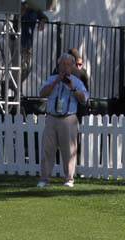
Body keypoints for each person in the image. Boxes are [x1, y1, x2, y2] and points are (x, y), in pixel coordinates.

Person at [36, 53, 88, 188]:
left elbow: (84, 99)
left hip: (68, 119)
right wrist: (56, 81)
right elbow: (42, 93)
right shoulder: (52, 78)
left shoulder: (77, 82)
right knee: (47, 149)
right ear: (59, 66)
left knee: (69, 151)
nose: (65, 67)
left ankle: (69, 179)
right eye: (63, 64)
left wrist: (73, 88)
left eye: (68, 65)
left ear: (72, 67)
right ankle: (44, 179)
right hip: (52, 118)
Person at [20, 1, 47, 84]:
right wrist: (23, 9)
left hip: (28, 45)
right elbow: (15, 19)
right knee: (17, 67)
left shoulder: (35, 8)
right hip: (17, 42)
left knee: (28, 67)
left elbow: (43, 16)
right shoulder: (19, 5)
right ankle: (14, 87)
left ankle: (12, 85)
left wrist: (42, 21)